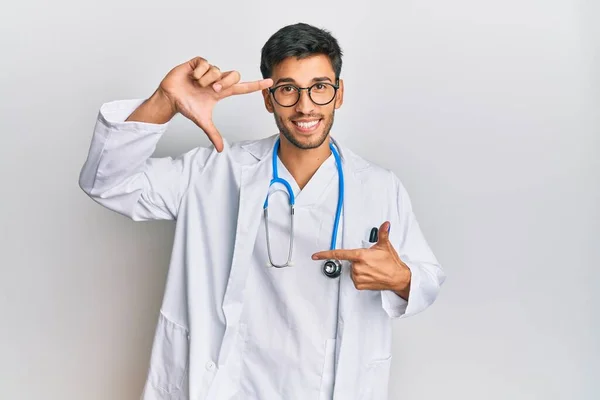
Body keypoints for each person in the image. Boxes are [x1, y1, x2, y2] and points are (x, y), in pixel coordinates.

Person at [78, 22, 446, 400]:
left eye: (319, 87)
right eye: (287, 89)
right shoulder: (214, 172)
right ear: (268, 98)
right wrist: (164, 102)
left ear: (338, 94)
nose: (305, 106)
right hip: (232, 385)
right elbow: (107, 182)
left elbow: (427, 278)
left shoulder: (379, 186)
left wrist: (401, 278)